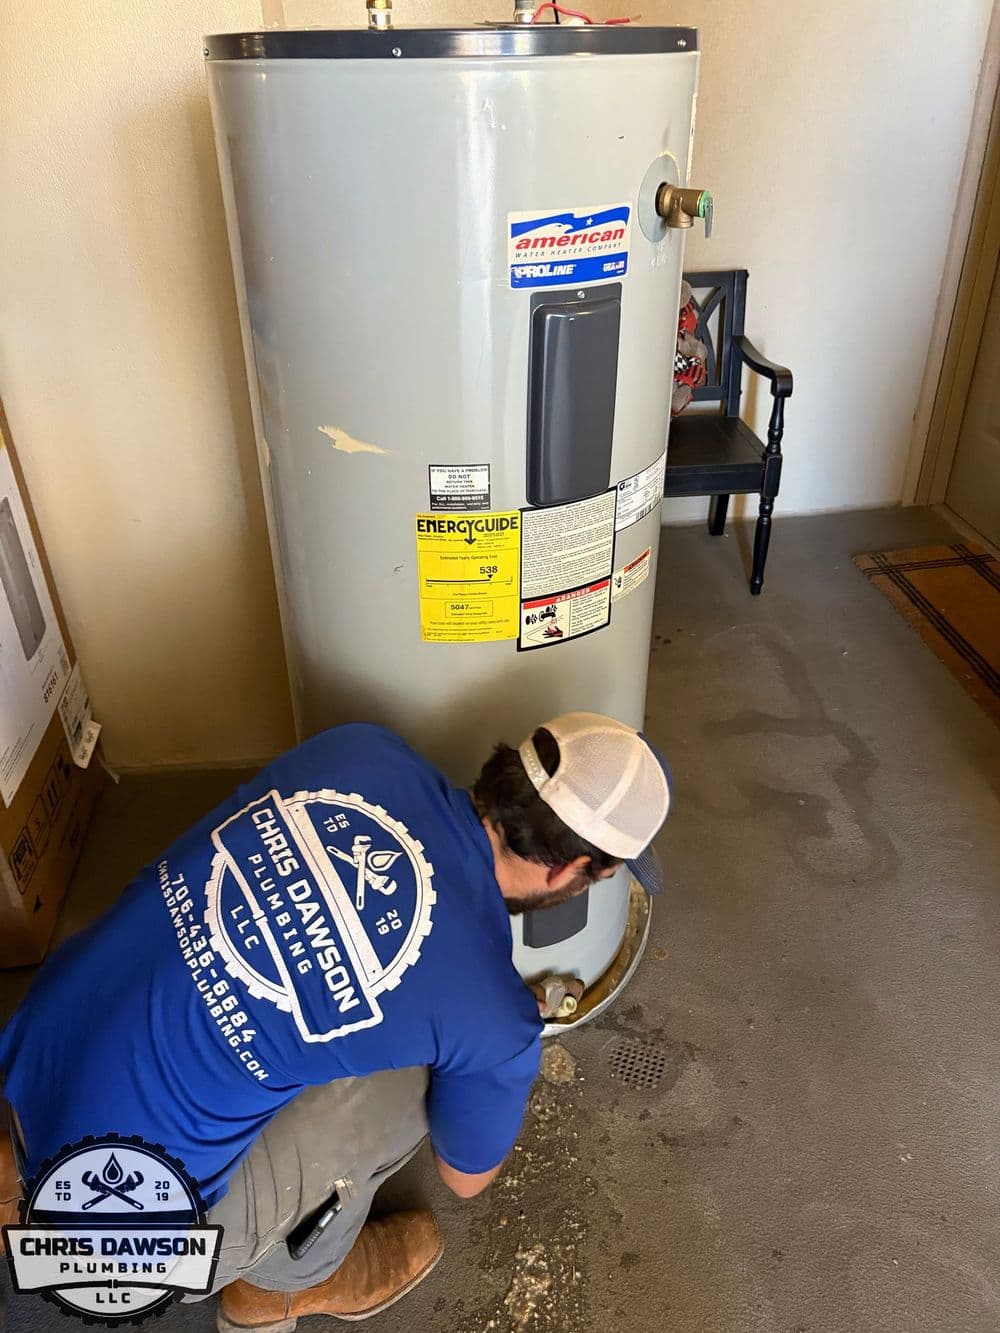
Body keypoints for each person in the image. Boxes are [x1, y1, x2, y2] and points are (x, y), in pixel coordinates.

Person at [0, 711, 671, 1332]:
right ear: (577, 868)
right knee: (420, 1073)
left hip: (27, 1052)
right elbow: (467, 1176)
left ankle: (14, 1179)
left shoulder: (361, 747)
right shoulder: (494, 1015)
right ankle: (278, 1286)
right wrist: (499, 1044)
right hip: (119, 1243)